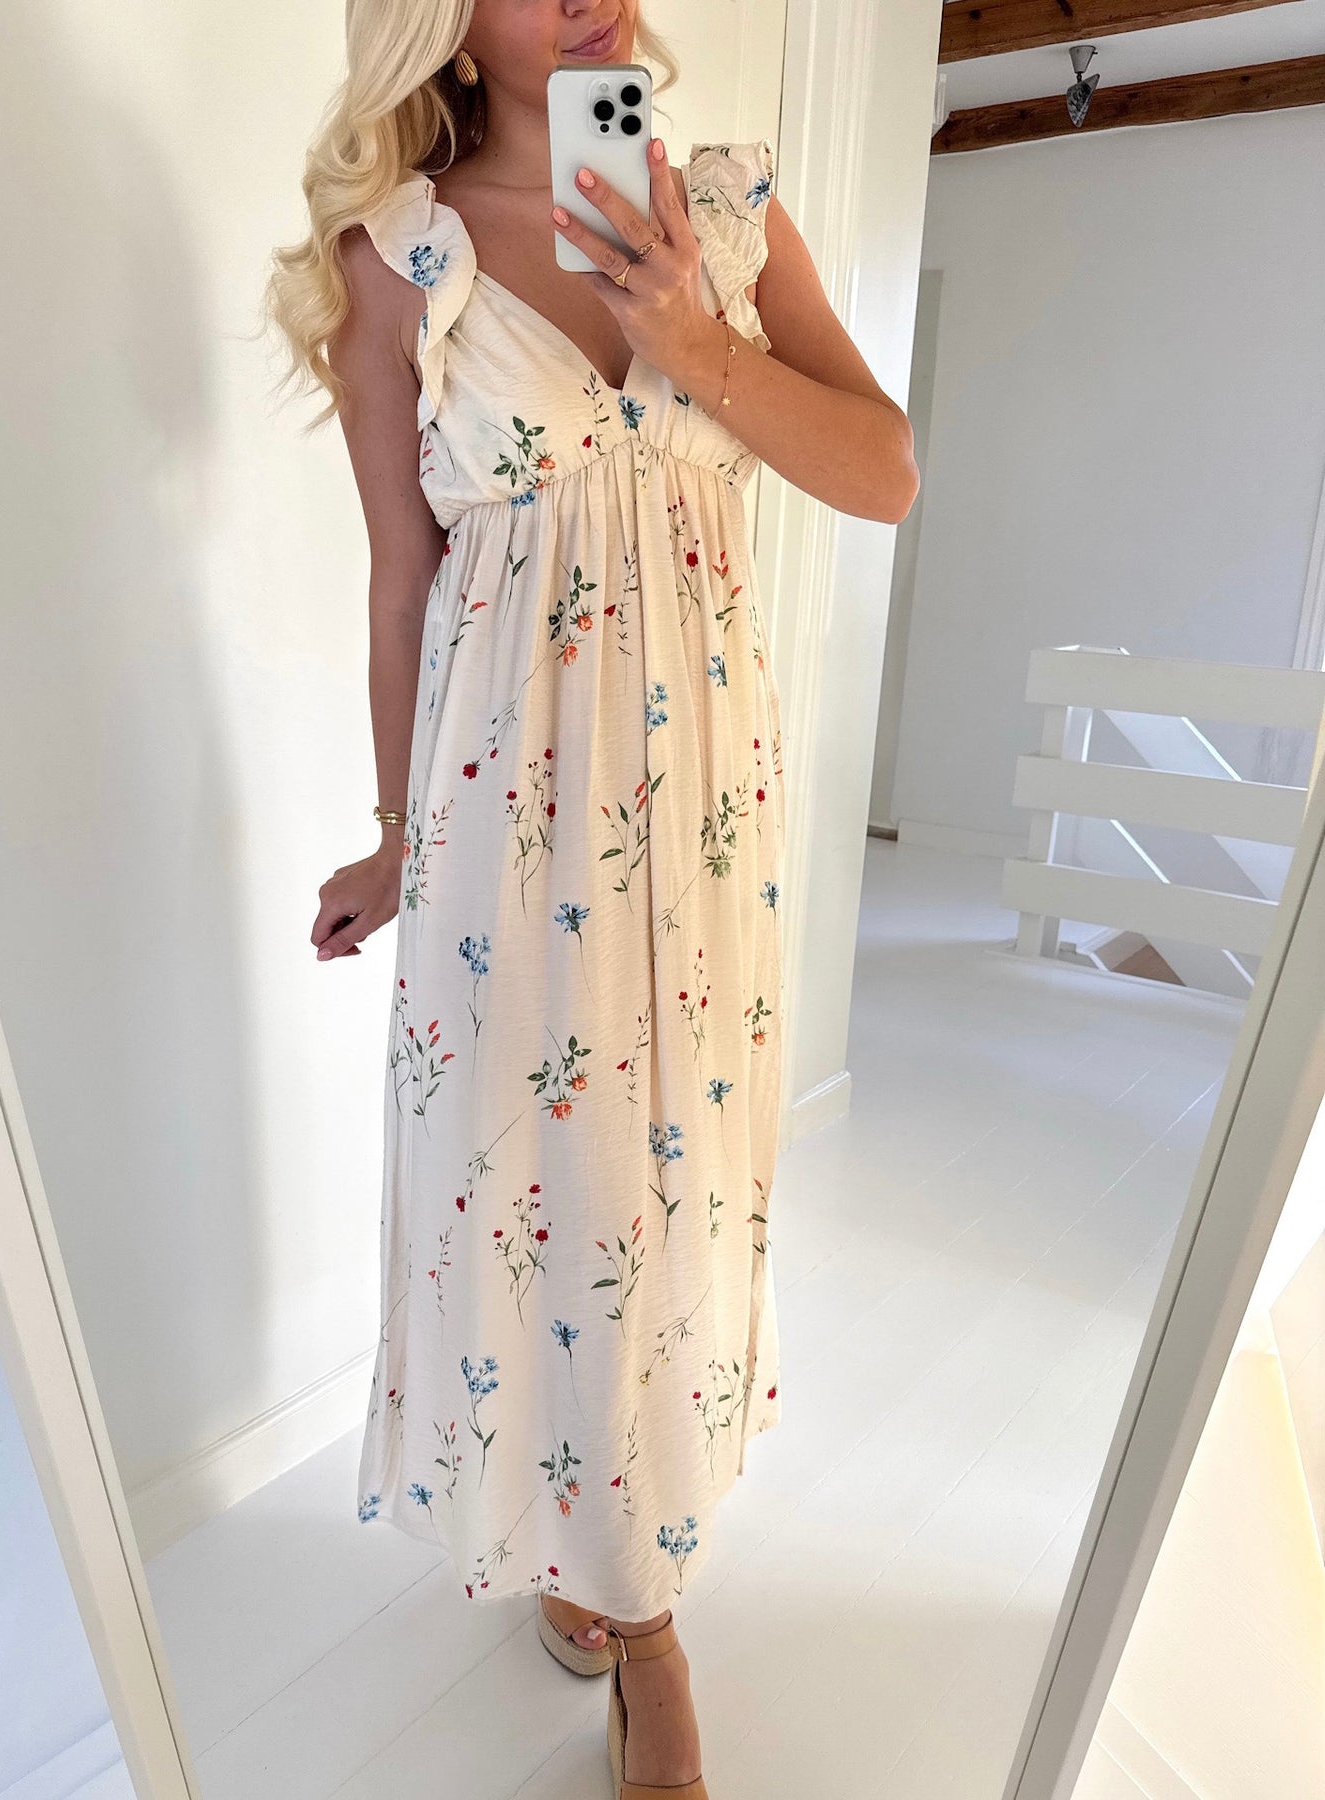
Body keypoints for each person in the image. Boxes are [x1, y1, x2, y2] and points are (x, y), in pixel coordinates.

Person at [265, 4, 917, 1794]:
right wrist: (394, 837)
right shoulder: (401, 259)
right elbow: (403, 579)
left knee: (667, 1191)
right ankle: (610, 1576)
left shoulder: (726, 211)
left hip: (695, 816)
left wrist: (693, 338)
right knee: (537, 1194)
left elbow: (882, 471)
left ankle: (642, 1602)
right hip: (504, 828)